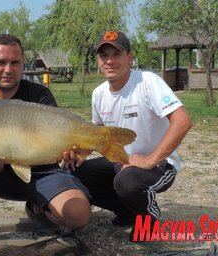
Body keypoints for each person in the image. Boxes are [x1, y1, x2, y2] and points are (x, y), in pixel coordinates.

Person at [0, 34, 92, 255]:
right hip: (1, 177)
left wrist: (68, 151)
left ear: (22, 65)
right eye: (0, 62)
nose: (8, 69)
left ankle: (38, 207)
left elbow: (56, 143)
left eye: (15, 62)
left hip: (44, 172)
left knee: (79, 215)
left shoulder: (39, 94)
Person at [69, 31, 193, 241]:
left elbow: (183, 122)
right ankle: (128, 211)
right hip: (122, 162)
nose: (109, 61)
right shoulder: (98, 94)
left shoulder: (147, 82)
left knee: (127, 181)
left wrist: (151, 159)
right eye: (103, 55)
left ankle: (148, 222)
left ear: (129, 57)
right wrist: (80, 155)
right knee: (73, 174)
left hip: (159, 165)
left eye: (116, 54)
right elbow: (98, 132)